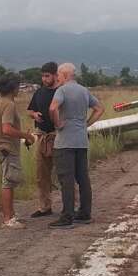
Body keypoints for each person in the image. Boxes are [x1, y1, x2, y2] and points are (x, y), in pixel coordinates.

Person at [48, 62, 104, 229]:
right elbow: (100, 109)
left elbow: (52, 109)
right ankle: (85, 213)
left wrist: (58, 124)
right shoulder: (84, 90)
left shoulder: (62, 90)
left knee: (67, 180)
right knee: (83, 178)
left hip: (65, 141)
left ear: (64, 75)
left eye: (58, 75)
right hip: (81, 140)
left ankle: (67, 216)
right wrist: (86, 124)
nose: (57, 78)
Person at [0, 73, 35, 228]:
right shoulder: (9, 104)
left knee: (8, 181)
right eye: (18, 86)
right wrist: (26, 135)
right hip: (8, 148)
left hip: (0, 148)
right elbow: (7, 128)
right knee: (8, 182)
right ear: (13, 88)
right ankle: (8, 219)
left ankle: (10, 214)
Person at [26, 62, 59, 217]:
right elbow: (30, 110)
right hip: (42, 135)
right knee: (41, 174)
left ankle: (72, 206)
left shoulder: (61, 92)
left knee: (64, 173)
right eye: (43, 76)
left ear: (55, 75)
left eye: (47, 76)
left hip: (59, 136)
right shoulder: (39, 92)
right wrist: (34, 115)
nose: (44, 79)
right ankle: (45, 207)